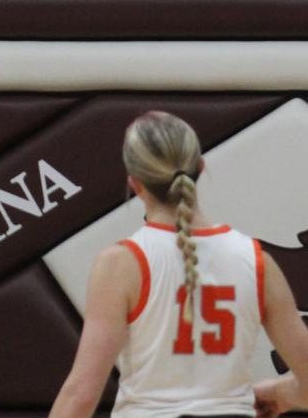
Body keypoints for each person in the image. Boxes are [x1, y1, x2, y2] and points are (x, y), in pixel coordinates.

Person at [48, 110, 308, 418]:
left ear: (135, 184)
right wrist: (282, 393)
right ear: (200, 167)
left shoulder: (121, 264)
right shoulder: (256, 260)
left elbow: (81, 394)